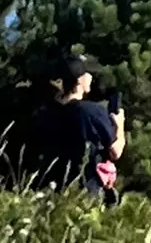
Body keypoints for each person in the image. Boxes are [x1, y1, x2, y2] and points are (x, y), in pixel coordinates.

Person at [31, 54, 125, 199]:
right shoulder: (92, 112)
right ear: (79, 79)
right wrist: (120, 125)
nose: (91, 77)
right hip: (87, 191)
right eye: (87, 74)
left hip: (52, 189)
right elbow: (115, 152)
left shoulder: (46, 114)